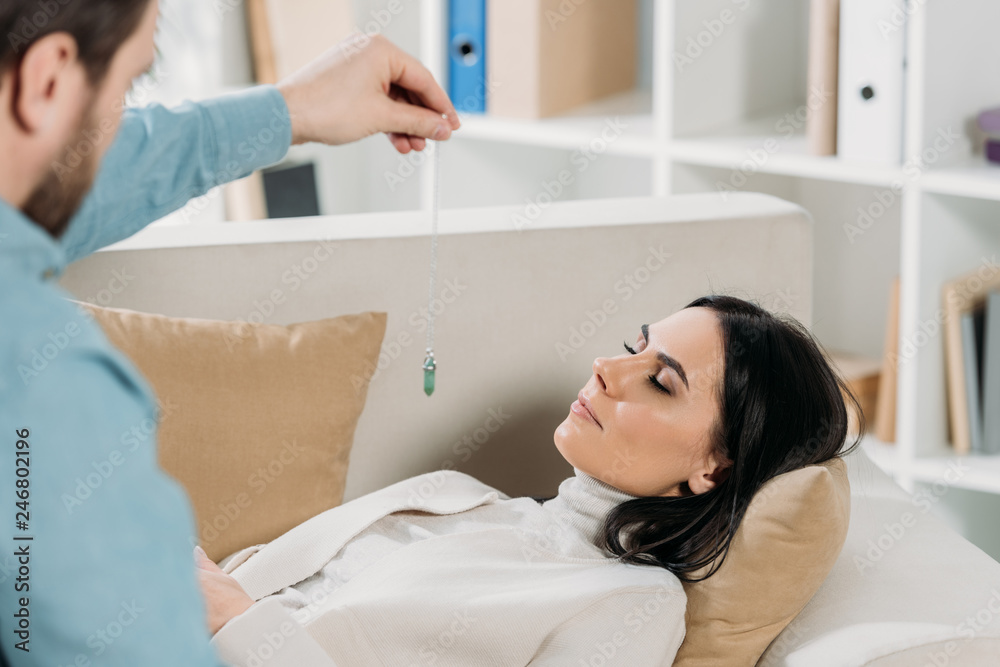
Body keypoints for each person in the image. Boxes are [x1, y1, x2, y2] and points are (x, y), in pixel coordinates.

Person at [0, 0, 460, 664]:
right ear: (46, 80)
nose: (116, 130)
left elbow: (56, 169)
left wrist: (289, 110)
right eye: (127, 87)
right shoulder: (50, 394)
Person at [196, 296, 863, 666]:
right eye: (634, 348)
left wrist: (242, 626)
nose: (606, 367)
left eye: (660, 382)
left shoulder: (631, 603)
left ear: (713, 468)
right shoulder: (468, 498)